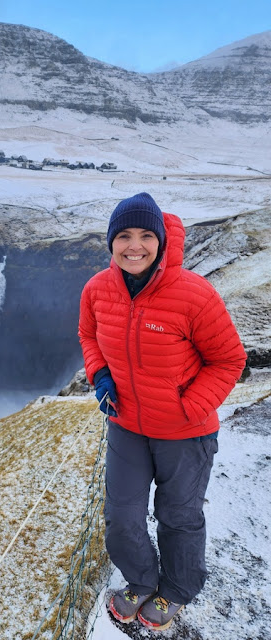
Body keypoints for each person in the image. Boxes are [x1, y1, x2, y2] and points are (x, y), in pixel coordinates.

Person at [78, 193, 246, 631]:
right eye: (124, 236)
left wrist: (190, 407)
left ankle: (176, 590)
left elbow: (229, 359)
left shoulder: (194, 294)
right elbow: (88, 335)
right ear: (111, 242)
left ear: (162, 241)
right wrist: (99, 375)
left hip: (185, 433)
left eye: (146, 235)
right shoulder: (97, 289)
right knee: (122, 514)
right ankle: (141, 581)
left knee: (179, 515)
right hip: (127, 425)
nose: (135, 246)